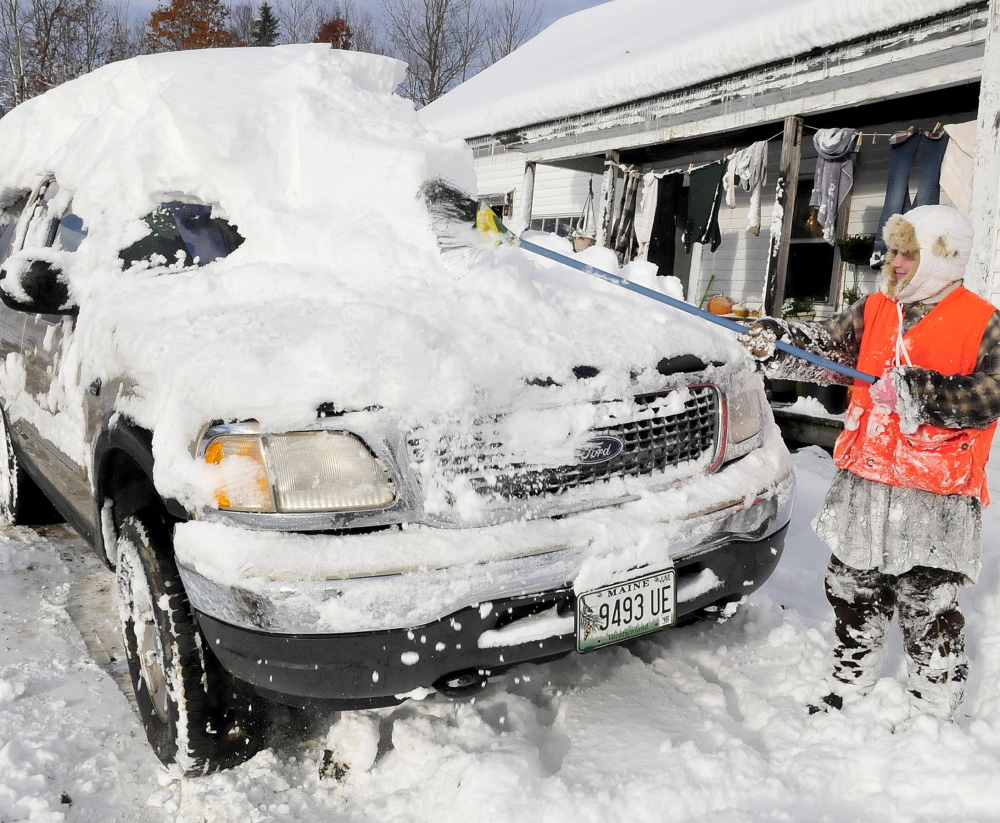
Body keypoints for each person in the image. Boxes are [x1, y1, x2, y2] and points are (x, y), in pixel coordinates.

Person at [742, 204, 1000, 720]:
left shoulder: (983, 320)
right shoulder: (878, 306)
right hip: (867, 477)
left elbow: (990, 394)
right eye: (895, 250)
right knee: (850, 585)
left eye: (909, 252)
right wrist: (781, 344)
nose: (895, 262)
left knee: (925, 600)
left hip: (935, 491)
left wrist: (915, 390)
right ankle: (850, 677)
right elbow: (830, 351)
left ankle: (934, 704)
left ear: (942, 258)